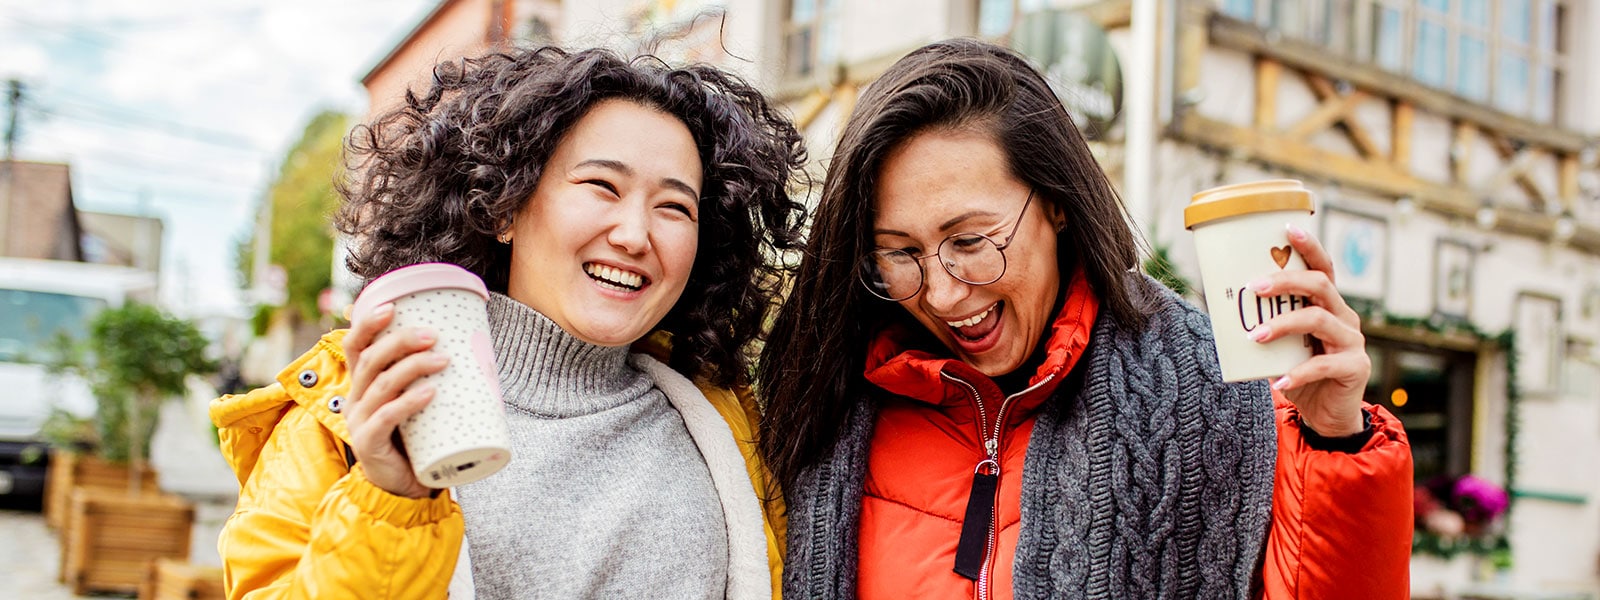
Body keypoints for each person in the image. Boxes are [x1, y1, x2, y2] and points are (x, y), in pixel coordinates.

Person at [758, 38, 1413, 600]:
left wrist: (1333, 438)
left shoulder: (1214, 393)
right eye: (899, 252)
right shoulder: (820, 401)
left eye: (969, 243)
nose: (942, 295)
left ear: (1058, 204)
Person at [211, 46, 806, 599]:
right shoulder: (351, 414)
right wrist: (390, 498)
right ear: (504, 206)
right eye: (602, 185)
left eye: (675, 207)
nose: (634, 235)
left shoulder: (729, 428)